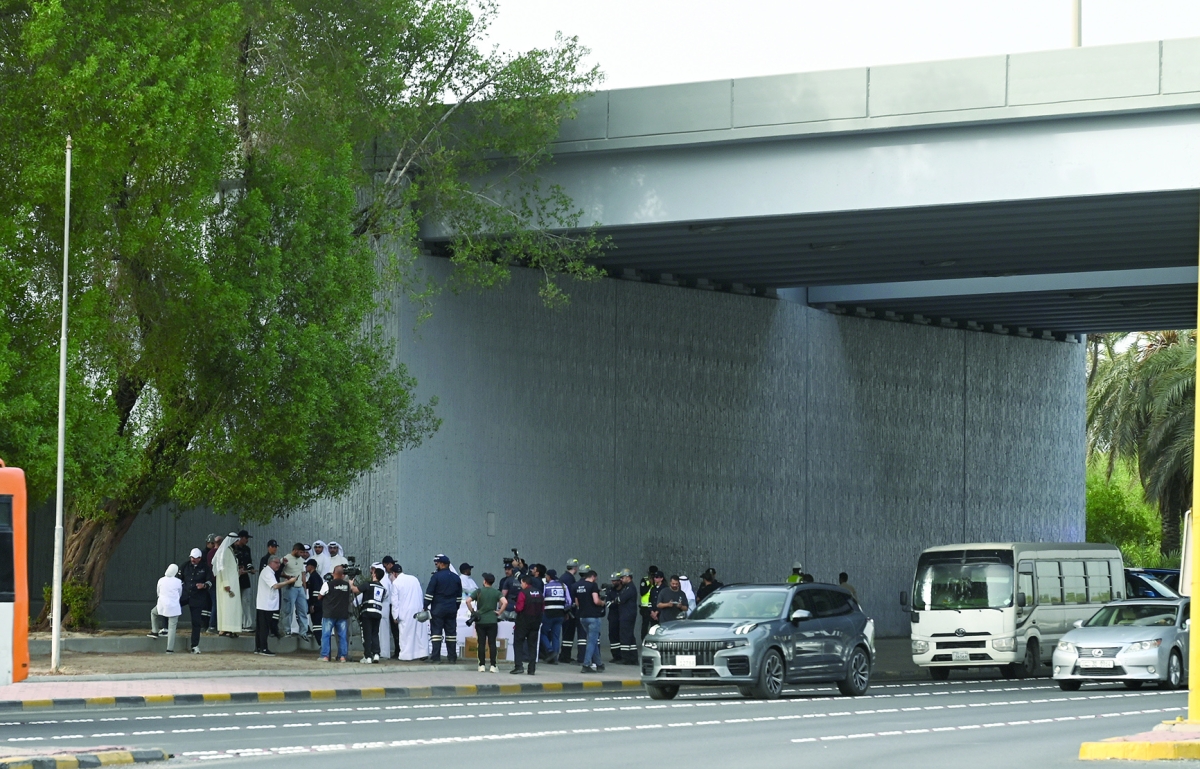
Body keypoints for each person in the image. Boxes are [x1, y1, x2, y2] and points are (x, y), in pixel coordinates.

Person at [424, 554, 462, 663]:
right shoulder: (456, 577)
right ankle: (452, 658)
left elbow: (429, 593)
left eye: (438, 563)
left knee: (436, 634)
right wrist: (456, 607)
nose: (437, 565)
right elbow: (459, 596)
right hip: (451, 609)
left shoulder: (436, 577)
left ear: (442, 564)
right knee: (451, 634)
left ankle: (436, 658)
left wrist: (425, 605)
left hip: (438, 608)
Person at [466, 572, 505, 672]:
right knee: (492, 643)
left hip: (480, 621)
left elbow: (468, 601)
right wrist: (499, 612)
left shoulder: (479, 591)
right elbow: (505, 602)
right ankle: (493, 665)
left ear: (485, 581)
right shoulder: (496, 592)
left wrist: (473, 612)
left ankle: (481, 665)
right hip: (492, 620)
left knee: (481, 643)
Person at [256, 554, 291, 656]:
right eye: (276, 563)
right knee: (264, 628)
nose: (278, 565)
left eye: (279, 563)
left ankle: (258, 647)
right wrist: (289, 582)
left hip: (266, 604)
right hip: (266, 605)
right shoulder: (267, 572)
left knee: (261, 627)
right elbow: (275, 586)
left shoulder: (271, 572)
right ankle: (263, 648)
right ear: (270, 563)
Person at [392, 563, 429, 660]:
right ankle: (422, 653)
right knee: (419, 633)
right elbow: (420, 593)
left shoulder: (396, 583)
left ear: (394, 573)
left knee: (406, 634)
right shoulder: (413, 578)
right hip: (417, 608)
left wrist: (395, 615)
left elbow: (395, 601)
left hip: (405, 611)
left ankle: (406, 655)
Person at [180, 547, 213, 654]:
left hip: (197, 597)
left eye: (196, 558)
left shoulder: (205, 567)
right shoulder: (185, 566)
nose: (193, 560)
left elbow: (210, 581)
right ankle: (166, 629)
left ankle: (195, 645)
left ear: (200, 558)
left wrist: (204, 585)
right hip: (184, 595)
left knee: (196, 622)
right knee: (170, 608)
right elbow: (178, 578)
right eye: (192, 558)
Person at [572, 569, 605, 673]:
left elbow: (577, 603)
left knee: (593, 640)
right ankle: (586, 665)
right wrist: (602, 603)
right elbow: (596, 600)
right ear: (593, 577)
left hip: (582, 617)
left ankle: (599, 664)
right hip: (593, 617)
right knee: (591, 641)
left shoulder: (576, 586)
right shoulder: (593, 586)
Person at [510, 573, 544, 675]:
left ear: (525, 583)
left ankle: (519, 666)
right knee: (532, 645)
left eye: (521, 583)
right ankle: (532, 668)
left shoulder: (523, 593)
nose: (521, 585)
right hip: (536, 622)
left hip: (523, 622)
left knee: (518, 643)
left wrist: (515, 607)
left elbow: (519, 608)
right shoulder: (539, 593)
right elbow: (543, 608)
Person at [318, 564, 352, 662]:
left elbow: (319, 597)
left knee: (326, 635)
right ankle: (342, 657)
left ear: (333, 573)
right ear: (343, 575)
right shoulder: (347, 585)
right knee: (342, 636)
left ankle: (325, 656)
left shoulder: (328, 584)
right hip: (342, 614)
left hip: (329, 613)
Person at [212, 532, 243, 636]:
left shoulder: (230, 551)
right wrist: (226, 583)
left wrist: (238, 573)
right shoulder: (224, 551)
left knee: (232, 607)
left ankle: (231, 628)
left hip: (233, 582)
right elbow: (222, 568)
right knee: (227, 606)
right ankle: (226, 628)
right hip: (227, 584)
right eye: (237, 541)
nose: (238, 543)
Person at [149, 564, 182, 653]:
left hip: (162, 605)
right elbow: (180, 593)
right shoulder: (178, 581)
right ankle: (169, 649)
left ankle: (154, 631)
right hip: (174, 607)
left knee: (153, 613)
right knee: (172, 628)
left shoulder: (161, 580)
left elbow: (158, 592)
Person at [278, 543, 309, 639]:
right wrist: (287, 577)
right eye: (300, 552)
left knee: (303, 610)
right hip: (290, 586)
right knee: (288, 610)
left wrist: (305, 587)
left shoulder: (301, 560)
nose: (302, 554)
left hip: (300, 588)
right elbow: (278, 572)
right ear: (295, 550)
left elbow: (302, 573)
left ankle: (303, 632)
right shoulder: (285, 559)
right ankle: (287, 630)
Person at [539, 569, 568, 665]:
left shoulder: (546, 587)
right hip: (560, 614)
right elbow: (569, 601)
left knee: (543, 633)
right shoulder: (563, 586)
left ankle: (550, 650)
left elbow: (542, 599)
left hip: (548, 614)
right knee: (556, 636)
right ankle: (554, 658)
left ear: (549, 576)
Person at [359, 566, 388, 663]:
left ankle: (368, 656)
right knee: (375, 634)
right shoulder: (383, 588)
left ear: (375, 574)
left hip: (367, 612)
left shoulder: (368, 584)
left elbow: (356, 590)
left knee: (367, 634)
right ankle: (376, 654)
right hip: (377, 613)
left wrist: (351, 583)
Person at [232, 530, 255, 632]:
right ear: (240, 538)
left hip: (245, 578)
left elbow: (249, 562)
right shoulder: (232, 549)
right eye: (246, 538)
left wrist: (250, 569)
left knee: (246, 601)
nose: (247, 540)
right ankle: (236, 623)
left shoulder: (247, 549)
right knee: (235, 602)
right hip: (235, 579)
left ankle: (247, 624)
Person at [615, 568, 638, 664]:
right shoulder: (627, 587)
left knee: (625, 635)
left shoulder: (630, 588)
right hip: (628, 614)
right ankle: (633, 658)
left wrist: (616, 600)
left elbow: (621, 599)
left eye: (622, 577)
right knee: (630, 636)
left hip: (627, 615)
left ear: (628, 577)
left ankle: (625, 658)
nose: (621, 580)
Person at [559, 559, 580, 663]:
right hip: (569, 610)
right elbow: (571, 595)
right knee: (568, 633)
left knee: (565, 633)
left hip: (563, 609)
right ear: (575, 568)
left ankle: (564, 654)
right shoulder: (570, 579)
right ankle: (565, 656)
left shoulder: (563, 577)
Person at [304, 558, 324, 637]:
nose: (306, 567)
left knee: (316, 625)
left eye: (307, 565)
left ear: (311, 566)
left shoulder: (314, 577)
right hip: (317, 603)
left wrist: (313, 604)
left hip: (316, 603)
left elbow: (316, 592)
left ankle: (321, 643)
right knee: (300, 611)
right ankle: (307, 630)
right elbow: (307, 585)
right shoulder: (313, 576)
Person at [606, 571, 623, 663]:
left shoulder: (624, 590)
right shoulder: (610, 591)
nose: (613, 582)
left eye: (615, 581)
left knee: (622, 636)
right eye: (612, 581)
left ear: (620, 580)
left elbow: (624, 603)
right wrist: (616, 603)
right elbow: (608, 604)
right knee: (613, 636)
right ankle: (616, 655)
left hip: (622, 616)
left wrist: (614, 602)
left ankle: (622, 655)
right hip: (613, 617)